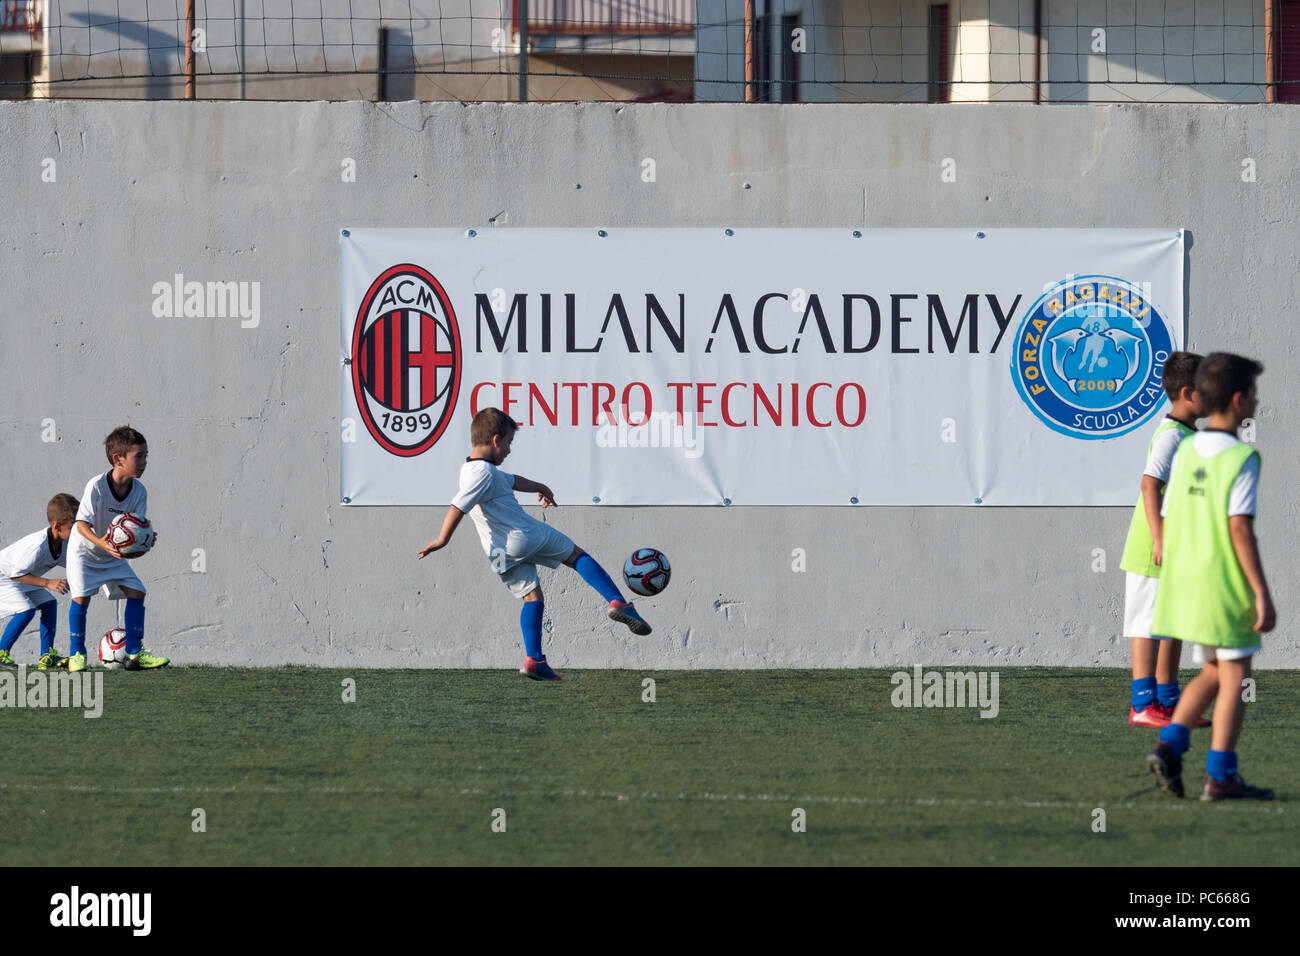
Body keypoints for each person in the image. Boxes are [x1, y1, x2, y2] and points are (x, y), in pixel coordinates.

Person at [419, 408, 650, 681]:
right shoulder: (481, 473)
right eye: (507, 443)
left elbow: (513, 480)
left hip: (499, 553)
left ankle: (534, 660)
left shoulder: (475, 469)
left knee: (533, 597)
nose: (508, 450)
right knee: (576, 556)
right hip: (523, 536)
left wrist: (541, 486)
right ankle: (619, 602)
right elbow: (459, 505)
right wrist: (442, 540)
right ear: (495, 440)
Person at [1146, 353, 1274, 800]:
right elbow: (1239, 528)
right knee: (1235, 675)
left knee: (1215, 671)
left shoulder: (1186, 450)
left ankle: (1171, 744)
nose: (1256, 402)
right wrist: (1261, 593)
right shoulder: (1241, 457)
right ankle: (1220, 776)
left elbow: (1172, 513)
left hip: (1188, 584)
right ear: (1239, 400)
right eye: (1254, 395)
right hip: (1224, 586)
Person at [1118, 351, 1208, 727]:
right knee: (1146, 625)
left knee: (1170, 624)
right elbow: (1149, 484)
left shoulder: (1189, 434)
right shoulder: (1171, 435)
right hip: (1152, 550)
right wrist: (1159, 539)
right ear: (1188, 393)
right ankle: (1142, 705)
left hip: (1176, 548)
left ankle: (1168, 702)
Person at [66, 426, 169, 672]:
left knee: (137, 592)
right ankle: (76, 655)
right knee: (81, 598)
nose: (145, 462)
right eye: (139, 456)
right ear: (118, 459)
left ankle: (134, 653)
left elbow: (134, 527)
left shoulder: (140, 491)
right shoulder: (97, 486)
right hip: (85, 553)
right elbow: (80, 525)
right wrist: (104, 544)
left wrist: (144, 539)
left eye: (146, 455)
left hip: (112, 555)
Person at [0, 494, 79, 670]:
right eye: (74, 527)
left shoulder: (63, 543)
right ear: (56, 526)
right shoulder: (37, 546)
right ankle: (1, 652)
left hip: (20, 576)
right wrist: (47, 583)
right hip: (4, 577)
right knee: (26, 610)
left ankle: (47, 656)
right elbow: (15, 574)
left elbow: (77, 565)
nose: (79, 531)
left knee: (49, 604)